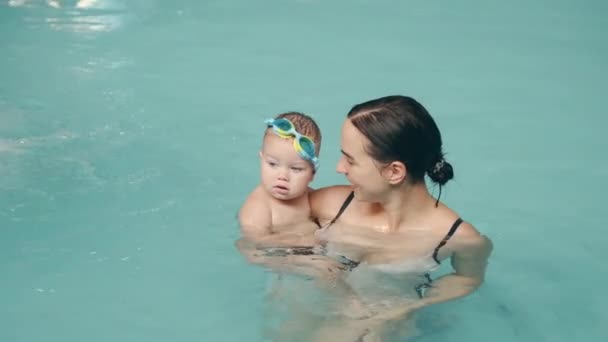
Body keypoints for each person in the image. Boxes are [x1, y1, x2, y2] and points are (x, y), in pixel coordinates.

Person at [308, 95, 493, 340]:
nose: (339, 168)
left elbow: (467, 279)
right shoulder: (330, 206)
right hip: (310, 315)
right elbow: (267, 213)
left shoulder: (457, 239)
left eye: (350, 160)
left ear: (394, 171)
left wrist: (404, 310)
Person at [238, 111, 322, 248]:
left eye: (296, 169)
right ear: (262, 159)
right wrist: (303, 243)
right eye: (272, 164)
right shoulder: (258, 206)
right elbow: (255, 242)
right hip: (277, 257)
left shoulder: (312, 198)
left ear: (313, 174)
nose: (282, 176)